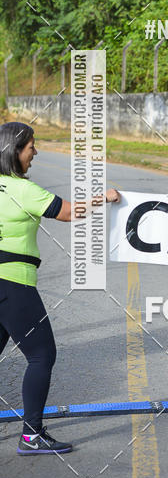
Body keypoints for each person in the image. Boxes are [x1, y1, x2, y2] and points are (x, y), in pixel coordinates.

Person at [0, 122, 121, 455]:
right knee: (41, 355)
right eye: (30, 148)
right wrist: (105, 198)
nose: (34, 153)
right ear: (14, 151)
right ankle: (32, 435)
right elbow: (67, 212)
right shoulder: (22, 190)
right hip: (14, 282)